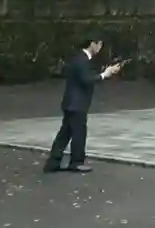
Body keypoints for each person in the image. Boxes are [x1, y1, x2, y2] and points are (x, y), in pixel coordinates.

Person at [43, 38, 121, 173]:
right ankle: (76, 162)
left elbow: (86, 75)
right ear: (92, 44)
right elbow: (87, 79)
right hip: (77, 103)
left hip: (72, 102)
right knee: (79, 133)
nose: (100, 48)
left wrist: (105, 72)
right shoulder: (82, 59)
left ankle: (53, 162)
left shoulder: (80, 58)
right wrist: (105, 74)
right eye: (99, 44)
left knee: (65, 133)